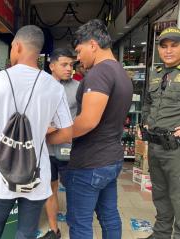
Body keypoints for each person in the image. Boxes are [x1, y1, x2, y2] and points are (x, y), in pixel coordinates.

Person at [0, 25, 73, 239]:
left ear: (17, 46)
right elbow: (66, 133)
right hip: (36, 176)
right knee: (26, 234)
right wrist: (38, 138)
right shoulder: (54, 87)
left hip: (2, 175)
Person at [62, 19, 133, 239]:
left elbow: (88, 121)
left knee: (80, 222)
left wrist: (56, 134)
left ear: (93, 44)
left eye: (79, 51)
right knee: (109, 216)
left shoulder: (99, 73)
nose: (78, 58)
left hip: (89, 163)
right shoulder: (120, 71)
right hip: (110, 159)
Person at [139, 27, 180, 239]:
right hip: (155, 145)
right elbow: (147, 102)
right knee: (160, 193)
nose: (168, 51)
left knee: (178, 196)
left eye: (174, 45)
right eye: (164, 46)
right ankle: (161, 234)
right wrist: (145, 121)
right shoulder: (156, 75)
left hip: (176, 149)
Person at [39, 48, 79, 239]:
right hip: (46, 149)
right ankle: (53, 230)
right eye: (64, 64)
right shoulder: (40, 87)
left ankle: (77, 228)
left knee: (74, 189)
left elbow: (83, 118)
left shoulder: (78, 88)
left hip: (70, 148)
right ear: (52, 65)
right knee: (50, 188)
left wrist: (59, 128)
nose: (69, 68)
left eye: (71, 65)